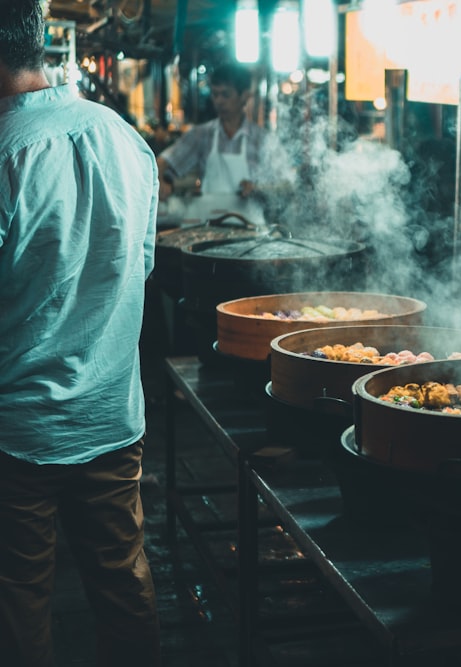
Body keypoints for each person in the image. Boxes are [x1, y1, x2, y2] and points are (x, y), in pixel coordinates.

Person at [0, 1, 161, 665]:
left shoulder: (6, 156)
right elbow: (141, 265)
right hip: (111, 416)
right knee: (124, 586)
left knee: (18, 602)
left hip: (18, 434)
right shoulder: (123, 135)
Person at [157, 61, 279, 223]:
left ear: (244, 96)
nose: (219, 101)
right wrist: (160, 181)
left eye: (226, 95)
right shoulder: (201, 135)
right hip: (206, 226)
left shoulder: (262, 140)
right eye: (215, 94)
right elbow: (160, 162)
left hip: (249, 229)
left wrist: (258, 188)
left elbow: (284, 185)